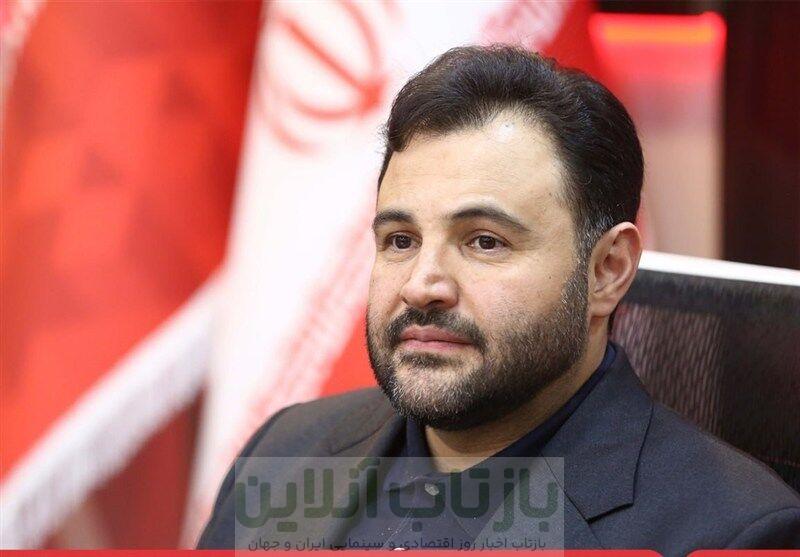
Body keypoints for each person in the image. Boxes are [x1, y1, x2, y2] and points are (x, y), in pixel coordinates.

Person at [197, 45, 800, 554]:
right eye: (401, 240)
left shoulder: (729, 532)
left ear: (607, 271)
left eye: (484, 241)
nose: (422, 285)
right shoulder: (284, 452)